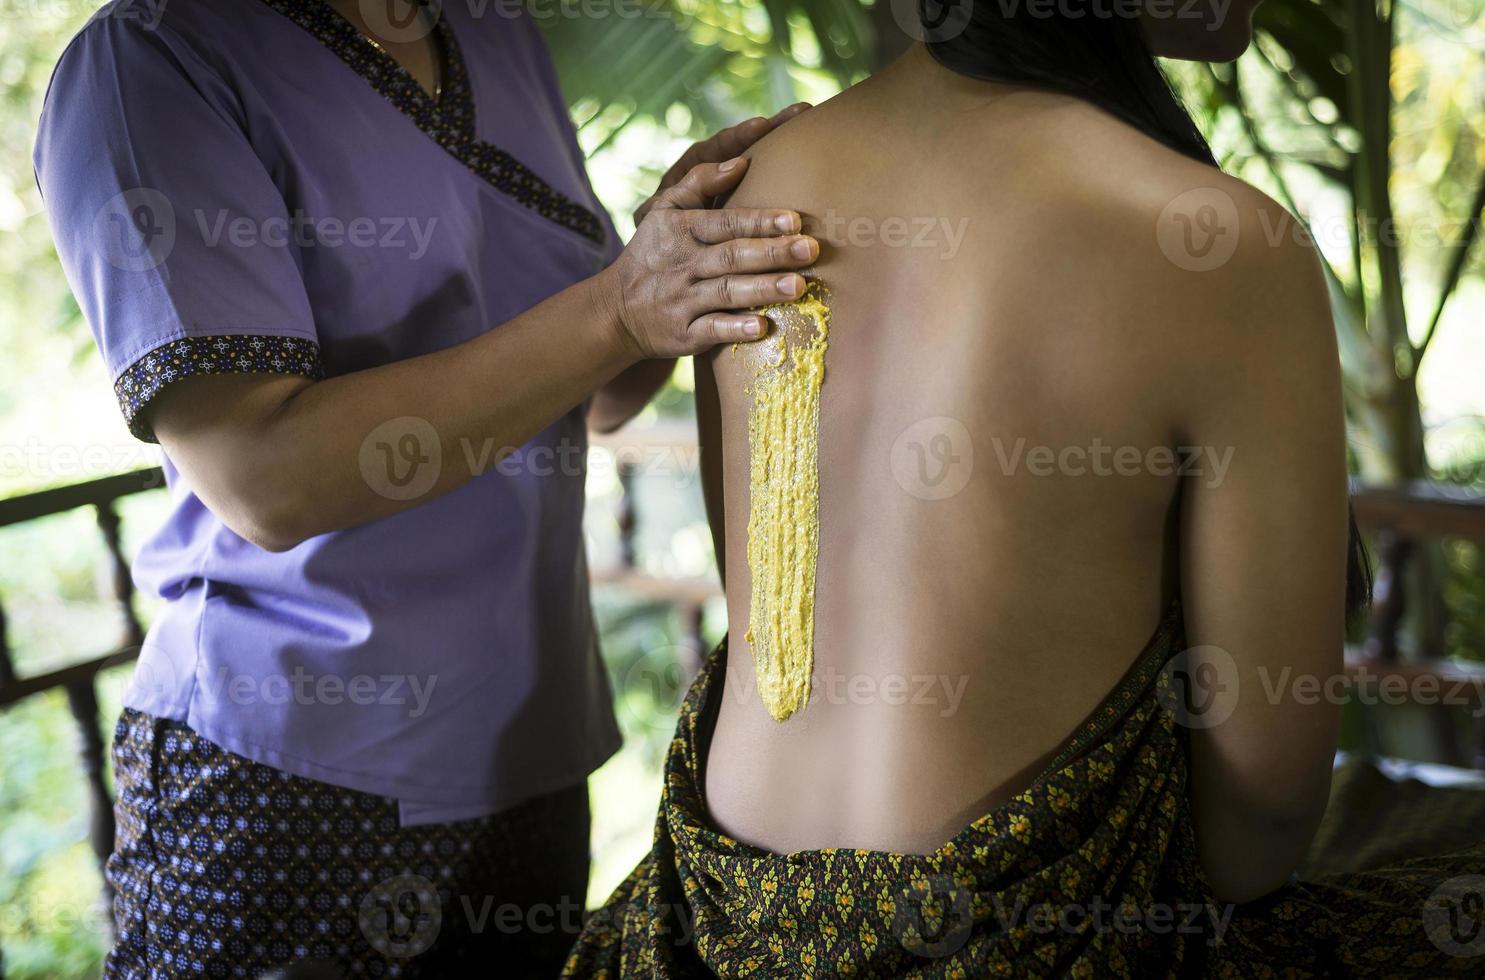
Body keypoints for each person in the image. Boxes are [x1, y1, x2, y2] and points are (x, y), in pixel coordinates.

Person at [565, 5, 1485, 977]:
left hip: (711, 932)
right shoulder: (1222, 247)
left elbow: (774, 615)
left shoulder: (748, 183)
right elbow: (1260, 822)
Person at [32, 0, 818, 975]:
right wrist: (617, 307)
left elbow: (600, 390)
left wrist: (672, 252)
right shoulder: (156, 55)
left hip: (532, 753)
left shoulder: (497, 32)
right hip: (295, 779)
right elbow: (264, 475)